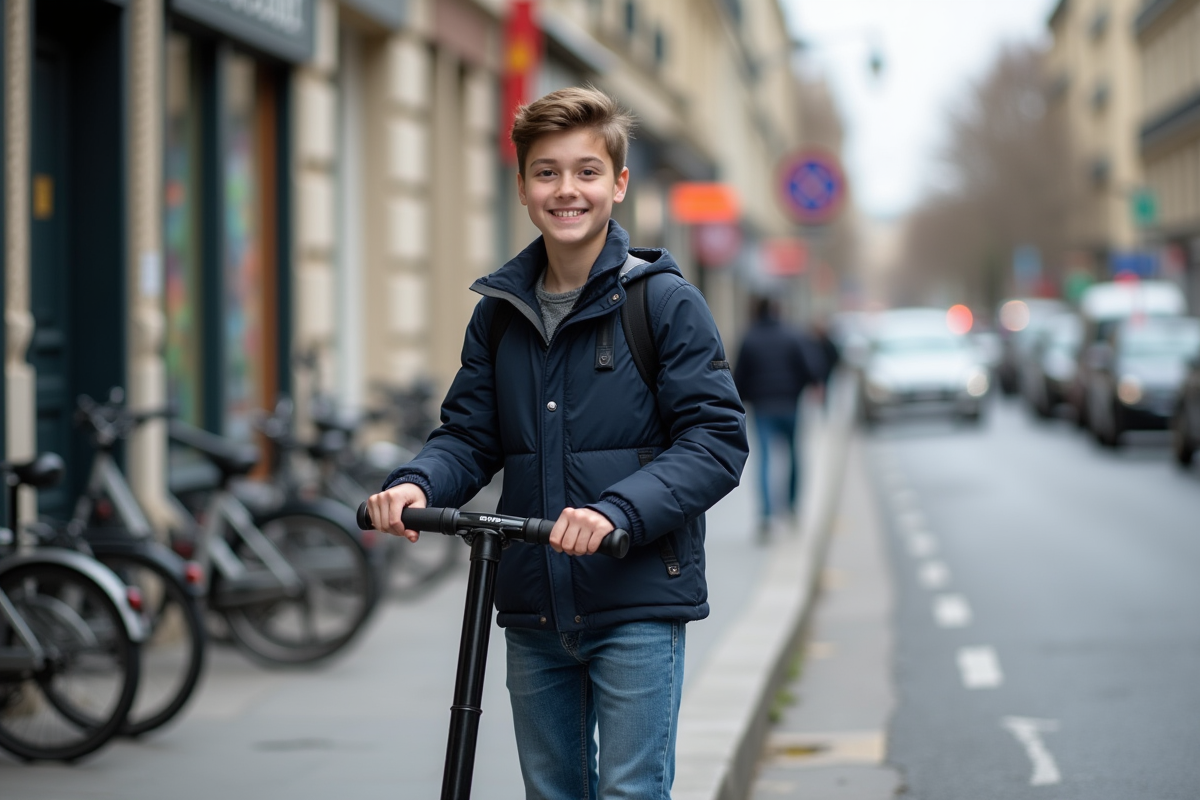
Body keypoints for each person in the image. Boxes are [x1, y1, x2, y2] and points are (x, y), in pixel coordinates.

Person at [366, 86, 747, 800]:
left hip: (635, 599)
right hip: (534, 604)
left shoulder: (663, 303)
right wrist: (418, 483)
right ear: (521, 186)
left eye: (586, 171)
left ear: (619, 184)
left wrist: (616, 513)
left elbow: (715, 441)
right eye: (546, 172)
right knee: (552, 793)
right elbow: (470, 434)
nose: (566, 190)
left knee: (632, 792)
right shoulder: (500, 317)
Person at [733, 297, 819, 537]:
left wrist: (743, 400)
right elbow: (810, 368)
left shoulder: (749, 338)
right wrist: (806, 387)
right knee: (794, 456)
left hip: (762, 408)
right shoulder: (792, 335)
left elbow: (738, 378)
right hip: (790, 405)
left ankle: (766, 515)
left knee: (764, 460)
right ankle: (791, 507)